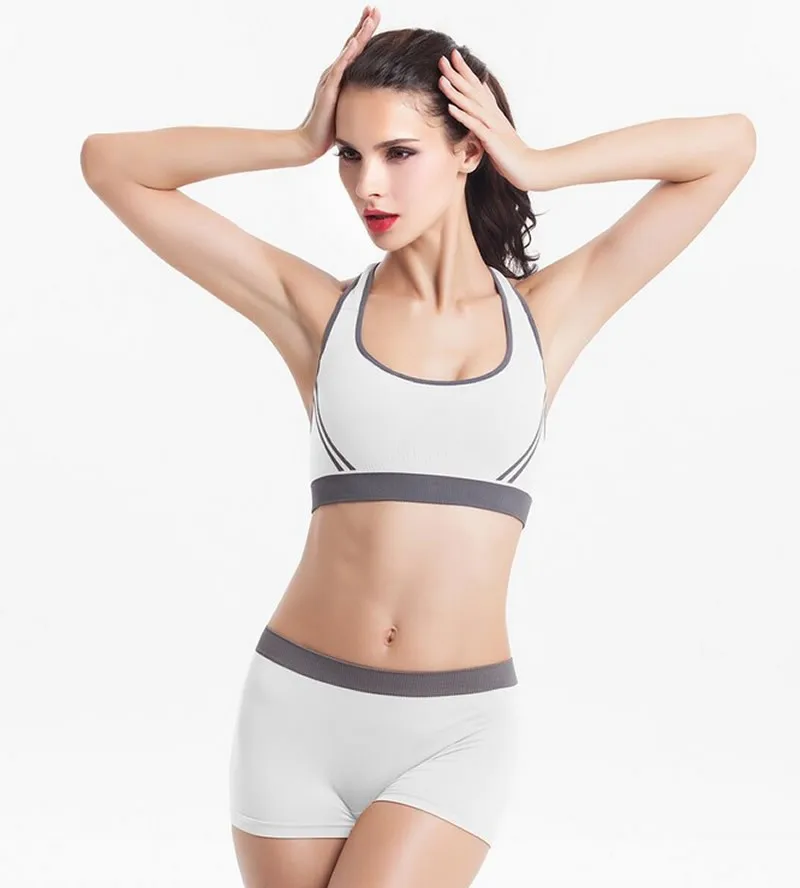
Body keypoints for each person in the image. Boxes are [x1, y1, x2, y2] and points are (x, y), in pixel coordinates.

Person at [80, 5, 756, 886]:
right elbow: (110, 165)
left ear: (469, 149)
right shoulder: (318, 314)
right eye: (349, 155)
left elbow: (728, 147)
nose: (368, 185)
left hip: (454, 733)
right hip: (297, 713)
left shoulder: (547, 317)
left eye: (399, 152)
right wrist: (295, 140)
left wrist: (538, 161)